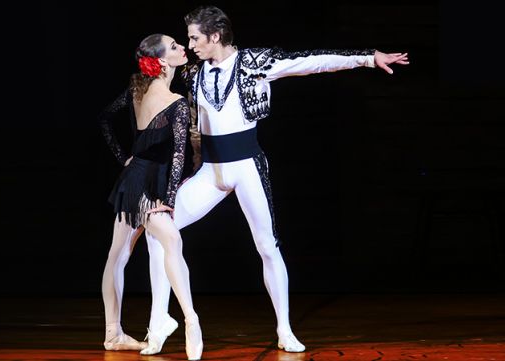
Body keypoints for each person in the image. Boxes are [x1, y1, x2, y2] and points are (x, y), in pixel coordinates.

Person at [142, 5, 410, 354]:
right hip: (210, 171)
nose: (191, 44)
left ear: (215, 35)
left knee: (267, 247)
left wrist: (368, 58)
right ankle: (159, 321)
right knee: (158, 229)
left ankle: (284, 328)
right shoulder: (195, 72)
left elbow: (311, 61)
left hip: (246, 167)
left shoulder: (255, 62)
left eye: (195, 37)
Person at [98, 33, 203, 360]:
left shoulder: (137, 92)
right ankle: (190, 321)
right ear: (160, 61)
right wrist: (167, 199)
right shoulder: (176, 104)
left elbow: (105, 120)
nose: (181, 48)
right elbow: (176, 159)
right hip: (147, 185)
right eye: (174, 47)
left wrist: (125, 159)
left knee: (118, 255)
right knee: (170, 242)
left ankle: (113, 334)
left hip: (132, 180)